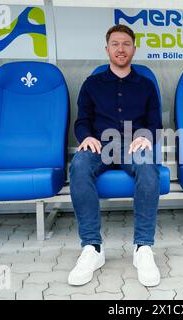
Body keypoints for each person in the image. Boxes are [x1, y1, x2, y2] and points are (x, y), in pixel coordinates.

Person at [68, 24, 163, 287]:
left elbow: (155, 123)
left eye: (126, 44)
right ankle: (92, 249)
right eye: (115, 44)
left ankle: (143, 248)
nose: (120, 49)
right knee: (78, 165)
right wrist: (86, 136)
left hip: (134, 145)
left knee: (147, 166)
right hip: (99, 145)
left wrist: (145, 137)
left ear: (134, 48)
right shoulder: (92, 84)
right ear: (107, 48)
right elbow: (82, 120)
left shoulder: (145, 85)